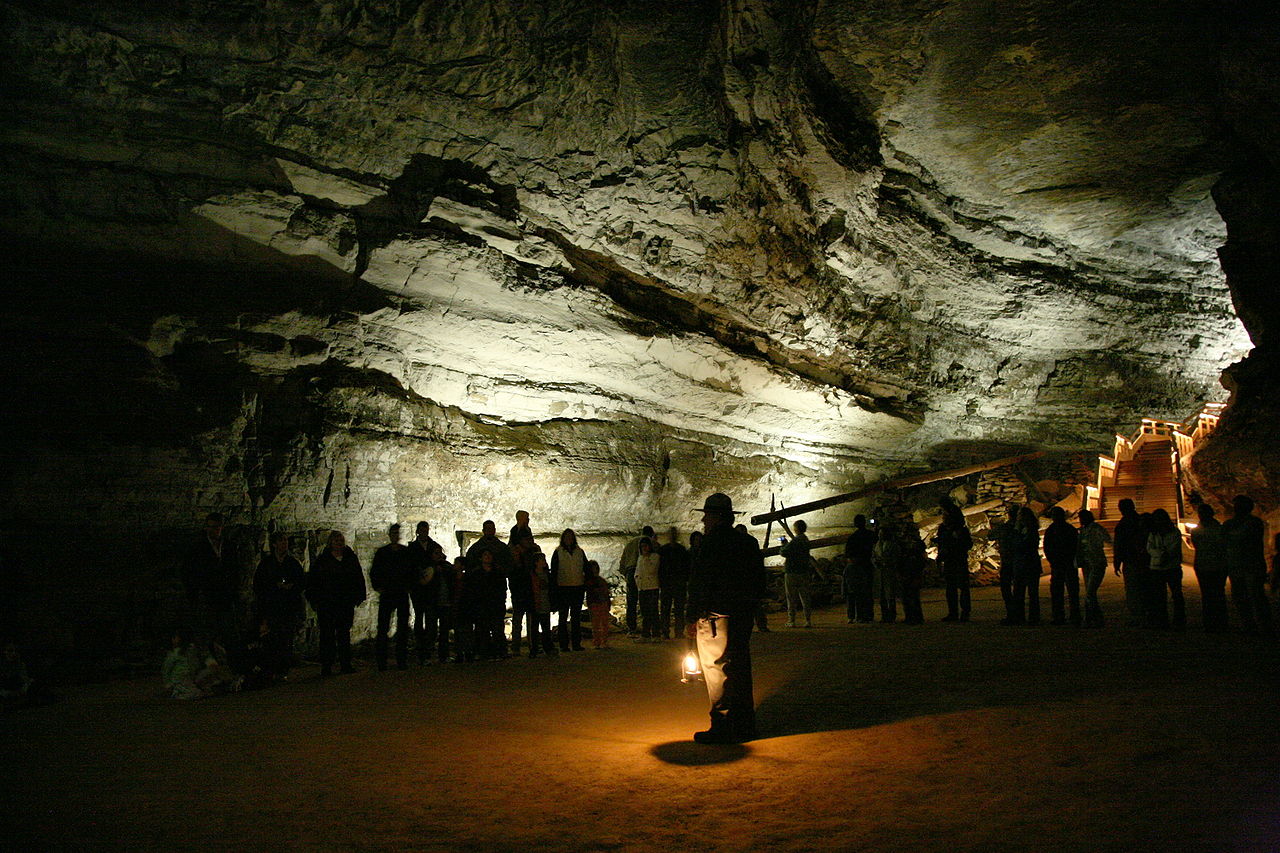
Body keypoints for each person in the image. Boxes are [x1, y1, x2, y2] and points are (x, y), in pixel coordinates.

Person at [685, 493, 766, 744]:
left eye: (707, 516)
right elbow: (759, 581)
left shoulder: (710, 544)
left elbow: (700, 582)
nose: (704, 521)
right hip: (741, 615)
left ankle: (723, 725)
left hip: (715, 617)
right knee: (740, 667)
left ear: (716, 517)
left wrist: (691, 616)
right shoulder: (748, 543)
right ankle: (744, 724)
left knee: (717, 669)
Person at [306, 530, 366, 676]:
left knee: (344, 634)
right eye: (336, 541)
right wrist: (315, 599)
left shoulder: (350, 558)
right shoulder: (323, 560)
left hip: (344, 603)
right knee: (327, 636)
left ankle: (345, 664)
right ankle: (327, 666)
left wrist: (358, 596)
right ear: (331, 543)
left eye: (341, 541)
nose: (339, 543)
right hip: (328, 604)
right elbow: (314, 581)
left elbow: (358, 577)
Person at [182, 512, 241, 653]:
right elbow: (190, 572)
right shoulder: (197, 548)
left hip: (225, 595)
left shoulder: (229, 546)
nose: (215, 530)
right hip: (207, 595)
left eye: (217, 527)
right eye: (212, 527)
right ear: (206, 528)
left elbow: (235, 570)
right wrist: (195, 593)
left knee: (229, 629)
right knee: (207, 629)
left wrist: (233, 590)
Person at [253, 531, 304, 671]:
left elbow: (301, 582)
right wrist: (274, 587)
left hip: (288, 606)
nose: (284, 544)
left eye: (286, 541)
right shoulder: (266, 564)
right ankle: (271, 668)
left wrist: (291, 587)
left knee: (286, 638)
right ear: (274, 544)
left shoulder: (293, 563)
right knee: (271, 638)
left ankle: (283, 668)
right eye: (281, 541)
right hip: (272, 606)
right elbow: (258, 585)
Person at [1223, 495, 1273, 635]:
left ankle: (1262, 625)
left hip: (1250, 565)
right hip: (1241, 565)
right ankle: (1249, 624)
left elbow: (1233, 538)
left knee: (1256, 596)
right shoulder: (1248, 523)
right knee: (1241, 596)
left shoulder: (1253, 523)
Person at [465, 521, 515, 656]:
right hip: (481, 601)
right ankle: (484, 651)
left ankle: (499, 651)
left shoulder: (501, 550)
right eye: (487, 529)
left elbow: (508, 568)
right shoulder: (476, 551)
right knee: (482, 627)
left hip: (496, 600)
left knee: (498, 626)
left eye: (492, 528)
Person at [371, 524, 416, 670]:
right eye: (393, 533)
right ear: (390, 535)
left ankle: (401, 660)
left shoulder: (405, 552)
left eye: (397, 533)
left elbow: (411, 570)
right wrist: (378, 587)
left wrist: (409, 586)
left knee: (402, 628)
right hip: (388, 593)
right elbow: (375, 572)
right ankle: (381, 661)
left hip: (401, 593)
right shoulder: (383, 553)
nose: (395, 536)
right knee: (383, 627)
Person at [407, 521, 442, 665]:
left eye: (426, 529)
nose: (424, 532)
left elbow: (440, 559)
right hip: (418, 589)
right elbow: (410, 567)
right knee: (420, 617)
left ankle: (428, 646)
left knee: (431, 619)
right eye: (422, 529)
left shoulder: (434, 546)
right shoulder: (412, 548)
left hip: (431, 589)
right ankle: (421, 648)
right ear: (418, 531)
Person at [1190, 503, 1229, 632]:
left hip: (1206, 565)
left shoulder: (1197, 531)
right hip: (1214, 565)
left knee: (1209, 594)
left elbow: (1198, 546)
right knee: (1217, 594)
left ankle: (1211, 622)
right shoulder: (1219, 529)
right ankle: (1218, 622)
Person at [464, 549, 507, 660]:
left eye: (489, 554)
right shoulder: (476, 574)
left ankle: (498, 652)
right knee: (483, 631)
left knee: (497, 631)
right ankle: (485, 652)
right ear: (480, 558)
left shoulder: (498, 572)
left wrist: (501, 603)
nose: (487, 557)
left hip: (495, 606)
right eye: (485, 555)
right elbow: (472, 591)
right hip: (482, 606)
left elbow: (502, 589)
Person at [1112, 499, 1149, 627]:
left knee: (1133, 589)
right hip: (1144, 560)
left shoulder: (1123, 524)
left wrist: (1117, 561)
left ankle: (1137, 616)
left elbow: (1119, 544)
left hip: (1131, 560)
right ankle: (1147, 614)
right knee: (1144, 587)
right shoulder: (1141, 521)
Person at [934, 501, 973, 622]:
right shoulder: (943, 529)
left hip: (959, 561)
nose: (943, 517)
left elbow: (968, 544)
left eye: (945, 515)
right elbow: (941, 544)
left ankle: (965, 612)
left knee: (963, 587)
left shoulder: (961, 530)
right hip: (949, 561)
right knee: (950, 588)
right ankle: (953, 613)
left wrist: (955, 542)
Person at [551, 528, 589, 651]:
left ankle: (576, 644)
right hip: (563, 588)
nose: (569, 540)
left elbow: (586, 567)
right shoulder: (558, 552)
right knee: (563, 617)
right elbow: (554, 571)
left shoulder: (579, 552)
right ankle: (563, 645)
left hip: (577, 587)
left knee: (576, 617)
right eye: (566, 537)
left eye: (570, 537)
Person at [1042, 507, 1080, 626]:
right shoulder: (1069, 529)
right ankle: (1073, 616)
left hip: (1061, 563)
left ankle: (1060, 616)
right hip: (1064, 563)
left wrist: (1052, 560)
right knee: (1071, 592)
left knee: (1059, 592)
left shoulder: (1052, 530)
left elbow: (1047, 547)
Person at [1145, 508, 1182, 629]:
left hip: (1171, 567)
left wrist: (1159, 553)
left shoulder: (1174, 532)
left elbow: (1173, 548)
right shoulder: (1154, 533)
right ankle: (1162, 620)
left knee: (1176, 594)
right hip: (1158, 567)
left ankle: (1178, 619)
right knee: (1159, 596)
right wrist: (1162, 553)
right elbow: (1149, 548)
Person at [1076, 510, 1112, 628]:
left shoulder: (1094, 529)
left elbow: (1107, 539)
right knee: (1090, 592)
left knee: (1090, 592)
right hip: (1088, 563)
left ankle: (1091, 618)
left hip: (1096, 562)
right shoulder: (1083, 530)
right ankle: (1095, 618)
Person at [508, 534, 541, 656]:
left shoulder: (533, 552)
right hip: (519, 590)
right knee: (518, 619)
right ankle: (516, 647)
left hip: (530, 589)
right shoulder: (515, 553)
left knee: (531, 619)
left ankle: (533, 646)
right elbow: (513, 571)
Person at [619, 526, 654, 635]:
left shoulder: (631, 543)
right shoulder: (650, 542)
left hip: (630, 571)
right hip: (643, 572)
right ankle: (648, 628)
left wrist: (626, 573)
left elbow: (622, 562)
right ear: (651, 534)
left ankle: (632, 628)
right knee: (646, 600)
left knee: (631, 601)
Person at [1010, 507, 1043, 625]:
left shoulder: (1030, 531)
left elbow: (1026, 546)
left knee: (1032, 593)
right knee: (1019, 592)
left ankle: (1033, 618)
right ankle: (1020, 617)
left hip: (1028, 564)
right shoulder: (1021, 531)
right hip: (1022, 564)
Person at [781, 519, 816, 628]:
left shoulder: (795, 541)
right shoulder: (806, 540)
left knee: (791, 598)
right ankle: (807, 620)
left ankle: (791, 620)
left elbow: (784, 552)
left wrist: (783, 545)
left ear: (796, 529)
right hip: (804, 572)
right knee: (805, 597)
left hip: (792, 572)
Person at [658, 527, 691, 640]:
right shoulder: (672, 550)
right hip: (671, 583)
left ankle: (677, 631)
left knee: (677, 609)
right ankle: (667, 631)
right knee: (668, 609)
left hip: (676, 583)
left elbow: (686, 567)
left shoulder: (674, 550)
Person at [843, 515, 877, 623]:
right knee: (867, 592)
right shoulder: (871, 535)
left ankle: (859, 615)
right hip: (867, 565)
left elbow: (848, 554)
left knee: (857, 593)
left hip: (857, 567)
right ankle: (869, 615)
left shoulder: (853, 538)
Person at [871, 518, 901, 622]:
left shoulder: (892, 545)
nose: (879, 535)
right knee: (881, 595)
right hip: (880, 572)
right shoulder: (877, 545)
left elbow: (896, 557)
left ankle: (891, 616)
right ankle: (884, 616)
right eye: (879, 533)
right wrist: (875, 562)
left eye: (881, 533)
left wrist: (886, 562)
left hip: (889, 571)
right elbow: (873, 556)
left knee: (890, 595)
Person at [995, 506, 1021, 625]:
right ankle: (1018, 614)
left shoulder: (1007, 528)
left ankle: (1013, 614)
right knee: (1016, 589)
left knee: (1008, 589)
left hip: (1010, 560)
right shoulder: (1020, 528)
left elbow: (992, 535)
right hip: (1015, 560)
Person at [161, 629, 205, 700]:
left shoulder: (189, 651)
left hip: (187, 677)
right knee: (196, 693)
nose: (173, 640)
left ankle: (177, 692)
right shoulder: (177, 653)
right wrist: (168, 683)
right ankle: (176, 694)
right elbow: (166, 668)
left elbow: (166, 668)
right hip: (179, 679)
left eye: (174, 638)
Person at [897, 522, 927, 625]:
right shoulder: (903, 544)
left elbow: (921, 559)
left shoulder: (917, 544)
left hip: (913, 571)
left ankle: (916, 617)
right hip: (906, 571)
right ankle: (910, 616)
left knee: (913, 595)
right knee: (907, 595)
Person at [529, 551, 557, 657]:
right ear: (536, 562)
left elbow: (552, 590)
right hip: (536, 604)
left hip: (545, 604)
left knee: (546, 628)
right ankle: (534, 649)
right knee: (534, 629)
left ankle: (547, 647)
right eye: (542, 560)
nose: (544, 562)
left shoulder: (547, 575)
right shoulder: (531, 576)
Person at [635, 537, 661, 639]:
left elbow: (651, 570)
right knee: (645, 612)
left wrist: (646, 558)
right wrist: (637, 581)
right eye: (642, 546)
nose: (644, 548)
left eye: (645, 546)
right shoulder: (640, 558)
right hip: (642, 588)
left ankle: (656, 634)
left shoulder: (655, 557)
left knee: (653, 612)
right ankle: (645, 634)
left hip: (652, 587)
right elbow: (638, 571)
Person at [584, 560, 613, 649]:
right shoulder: (590, 582)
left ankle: (603, 641)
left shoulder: (600, 581)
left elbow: (606, 593)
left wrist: (608, 603)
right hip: (595, 604)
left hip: (601, 604)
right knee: (596, 624)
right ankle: (597, 641)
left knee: (603, 624)